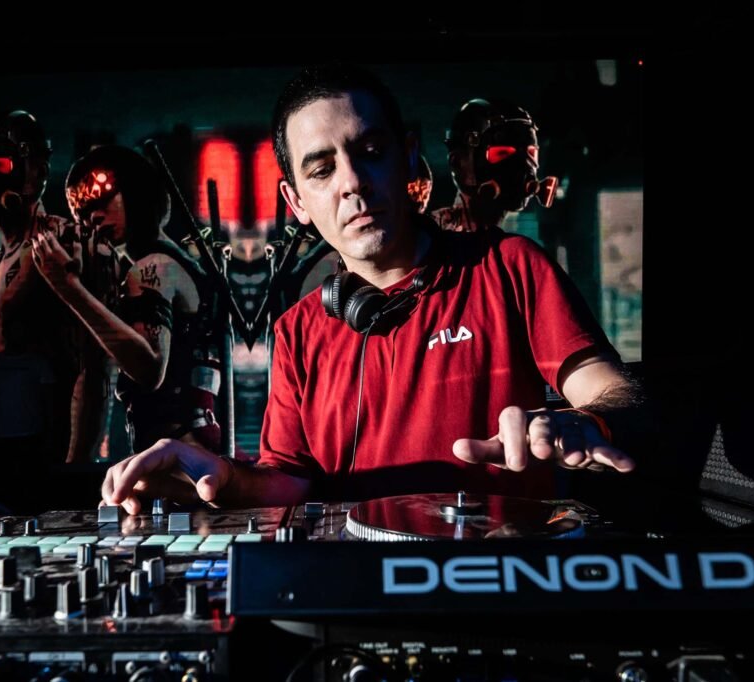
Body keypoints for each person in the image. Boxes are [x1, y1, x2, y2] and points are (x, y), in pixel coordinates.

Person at [100, 65, 639, 513]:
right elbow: (289, 481)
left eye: (371, 150)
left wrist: (584, 421)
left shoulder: (510, 267)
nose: (352, 183)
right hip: (356, 580)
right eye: (321, 170)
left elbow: (616, 392)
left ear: (408, 156)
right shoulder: (297, 331)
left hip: (492, 574)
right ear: (296, 203)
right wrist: (221, 475)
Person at [0, 110, 92, 512]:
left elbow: (94, 366)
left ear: (35, 171)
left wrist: (74, 470)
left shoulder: (66, 245)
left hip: (43, 467)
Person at [31, 144, 222, 456]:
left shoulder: (152, 267)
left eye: (103, 201)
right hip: (180, 452)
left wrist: (68, 288)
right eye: (82, 212)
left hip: (178, 456)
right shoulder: (168, 265)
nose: (93, 217)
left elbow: (149, 370)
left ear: (135, 192)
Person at [431, 98, 558, 232]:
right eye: (502, 153)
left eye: (531, 154)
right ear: (458, 163)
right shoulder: (432, 233)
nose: (522, 166)